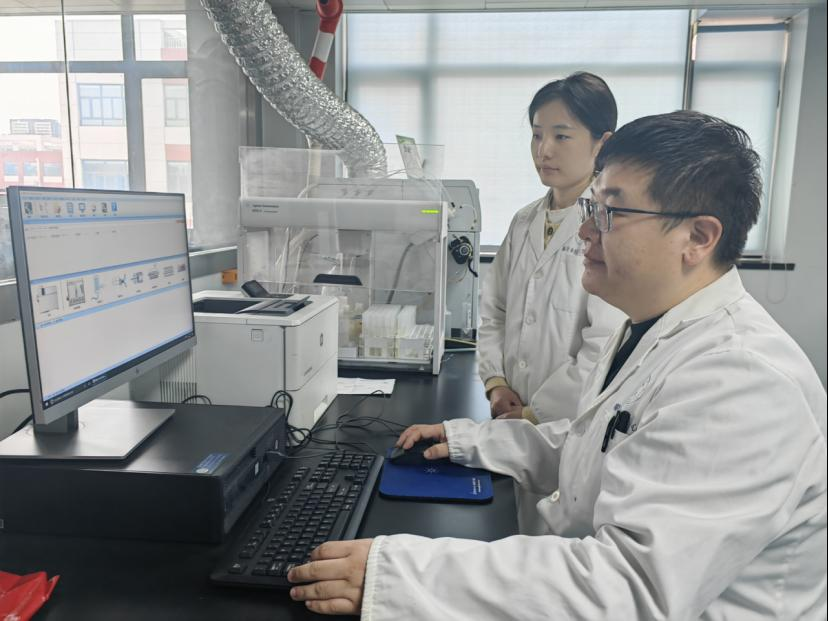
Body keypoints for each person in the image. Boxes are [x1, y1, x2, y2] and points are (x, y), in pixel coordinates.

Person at [286, 111, 828, 619]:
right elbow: (594, 444)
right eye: (592, 208)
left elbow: (629, 589)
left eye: (610, 212)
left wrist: (399, 575)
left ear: (698, 237)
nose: (585, 232)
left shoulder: (742, 380)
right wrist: (472, 441)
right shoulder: (651, 327)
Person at [479, 72, 624, 426]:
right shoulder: (523, 222)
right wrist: (495, 382)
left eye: (561, 136)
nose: (543, 150)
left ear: (602, 144)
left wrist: (536, 413)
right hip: (508, 411)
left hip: (571, 421)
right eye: (537, 135)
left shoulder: (612, 226)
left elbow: (606, 343)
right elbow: (494, 310)